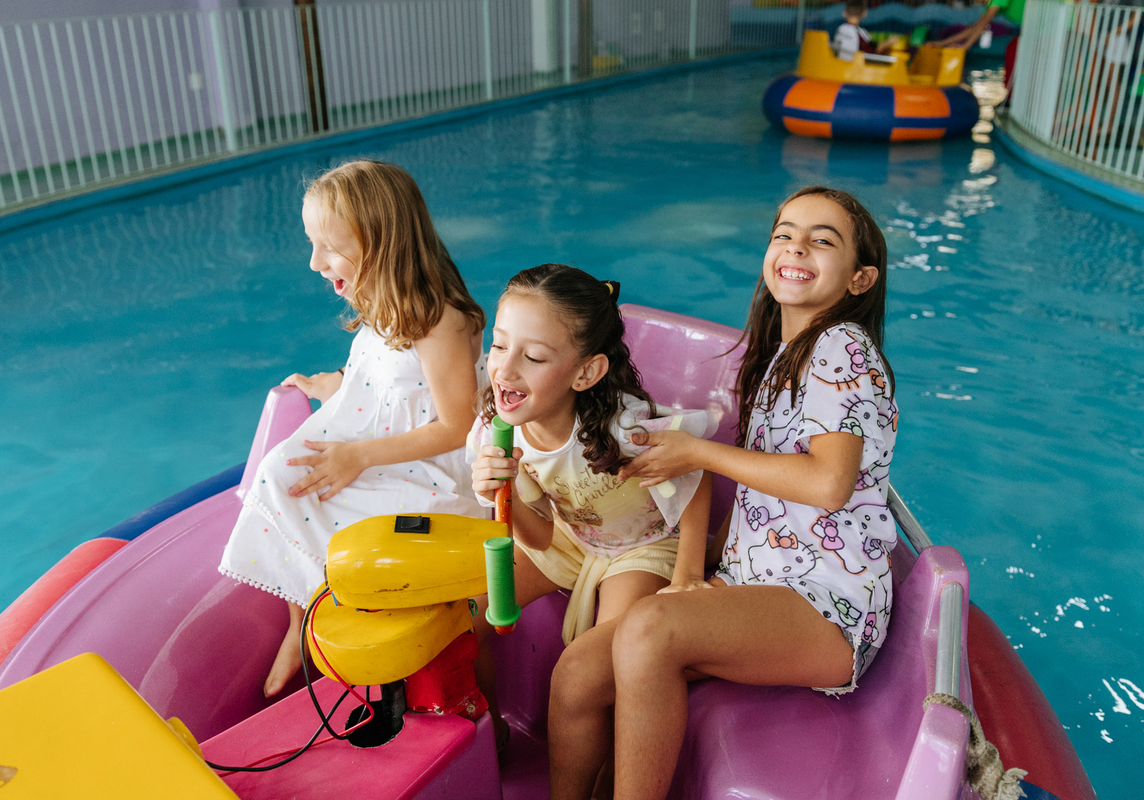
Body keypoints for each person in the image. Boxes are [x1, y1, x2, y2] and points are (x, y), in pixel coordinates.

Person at [549, 187, 898, 800]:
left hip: (827, 605)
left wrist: (697, 452)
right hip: (753, 581)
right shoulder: (784, 356)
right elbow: (768, 507)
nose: (796, 247)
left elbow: (828, 483)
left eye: (822, 240)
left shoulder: (841, 347)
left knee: (649, 630)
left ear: (860, 278)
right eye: (784, 234)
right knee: (578, 674)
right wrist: (694, 565)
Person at [218, 160, 489, 698]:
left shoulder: (440, 320)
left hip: (429, 473)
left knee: (301, 484)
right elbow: (389, 380)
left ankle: (327, 608)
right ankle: (302, 615)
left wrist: (358, 457)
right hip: (386, 451)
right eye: (312, 244)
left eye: (331, 248)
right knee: (281, 472)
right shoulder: (382, 300)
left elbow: (458, 426)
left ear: (384, 244)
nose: (315, 262)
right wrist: (334, 383)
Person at [468, 263, 715, 757]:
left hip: (642, 546)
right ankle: (488, 743)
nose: (505, 370)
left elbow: (697, 471)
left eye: (533, 356)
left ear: (586, 372)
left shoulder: (623, 429)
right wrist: (504, 492)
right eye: (498, 345)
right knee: (458, 617)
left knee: (591, 670)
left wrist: (688, 573)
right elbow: (539, 538)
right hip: (570, 537)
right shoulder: (499, 431)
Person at [833, 0, 898, 62]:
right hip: (855, 66)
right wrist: (888, 42)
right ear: (864, 13)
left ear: (844, 13)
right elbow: (874, 50)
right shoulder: (859, 33)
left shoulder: (840, 29)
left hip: (840, 63)